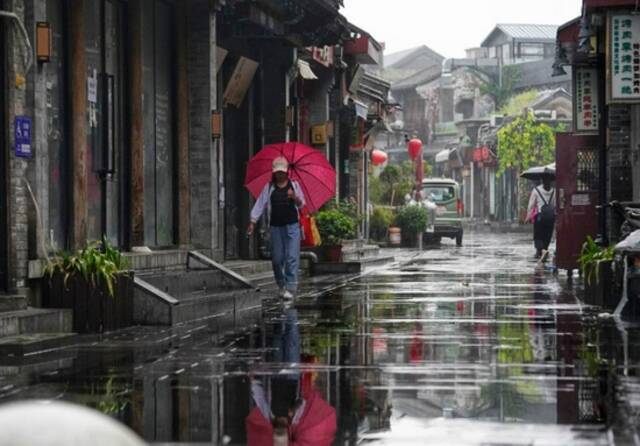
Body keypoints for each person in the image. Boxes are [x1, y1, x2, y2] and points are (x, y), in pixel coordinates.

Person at [248, 157, 305, 299]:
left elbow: (302, 204)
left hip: (292, 226)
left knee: (291, 257)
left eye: (282, 172)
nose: (280, 174)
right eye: (277, 172)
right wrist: (252, 221)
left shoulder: (294, 186)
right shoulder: (269, 188)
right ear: (274, 173)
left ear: (287, 172)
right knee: (277, 260)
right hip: (275, 227)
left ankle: (291, 288)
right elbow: (260, 205)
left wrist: (294, 197)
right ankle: (281, 285)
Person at [527, 175, 556, 260]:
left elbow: (531, 205)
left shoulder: (536, 190)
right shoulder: (554, 191)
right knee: (547, 234)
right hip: (550, 217)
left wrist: (528, 216)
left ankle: (539, 251)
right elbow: (555, 205)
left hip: (540, 217)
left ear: (542, 181)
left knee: (538, 234)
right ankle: (545, 249)